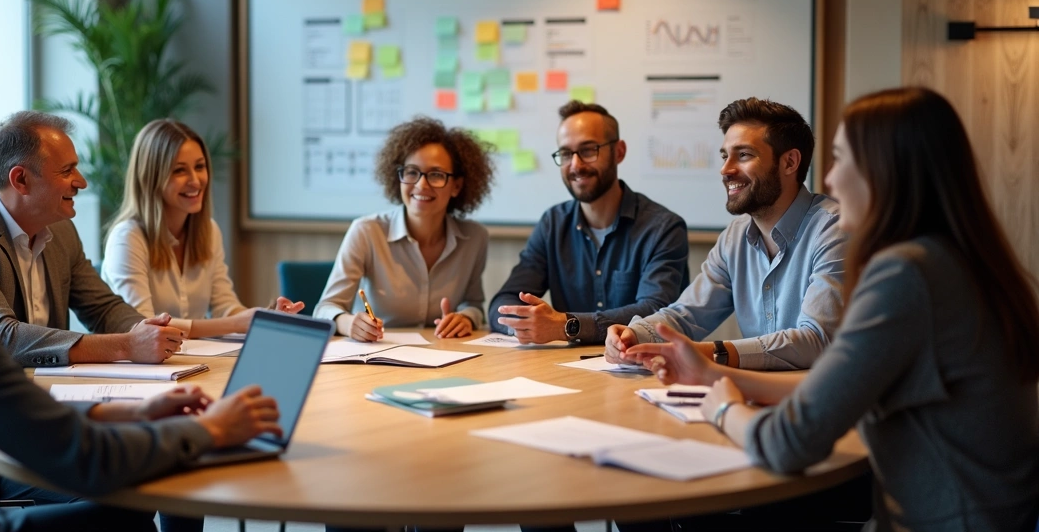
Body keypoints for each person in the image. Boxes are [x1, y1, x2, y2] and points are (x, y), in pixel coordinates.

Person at [0, 62, 282, 532]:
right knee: (134, 507)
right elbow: (80, 458)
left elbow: (13, 400)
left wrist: (132, 411)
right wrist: (209, 430)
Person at [626, 87, 1039, 531]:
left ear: (887, 171)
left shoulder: (906, 276)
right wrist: (714, 377)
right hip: (977, 516)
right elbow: (837, 388)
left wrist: (722, 408)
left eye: (841, 159)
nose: (830, 179)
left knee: (666, 511)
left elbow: (789, 442)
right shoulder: (950, 261)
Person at [606, 98, 845, 370]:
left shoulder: (834, 229)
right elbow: (686, 315)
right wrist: (633, 335)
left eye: (743, 155)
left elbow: (816, 341)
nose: (725, 169)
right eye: (724, 155)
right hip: (758, 393)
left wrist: (713, 353)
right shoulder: (735, 237)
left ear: (789, 162)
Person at [0, 110, 185, 367]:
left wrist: (144, 329)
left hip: (51, 390)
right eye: (67, 170)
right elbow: (1, 337)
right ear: (21, 180)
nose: (81, 182)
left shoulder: (62, 231)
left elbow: (102, 308)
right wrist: (127, 345)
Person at [489, 101, 689, 345]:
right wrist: (524, 325)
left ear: (619, 152)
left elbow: (655, 313)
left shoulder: (663, 228)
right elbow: (504, 301)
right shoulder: (553, 224)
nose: (575, 165)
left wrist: (566, 326)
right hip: (567, 372)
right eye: (565, 154)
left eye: (588, 150)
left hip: (642, 370)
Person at [102, 119, 303, 338]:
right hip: (135, 369)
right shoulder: (127, 238)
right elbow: (144, 326)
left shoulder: (209, 231)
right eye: (179, 170)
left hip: (191, 361)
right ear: (151, 178)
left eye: (200, 167)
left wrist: (265, 319)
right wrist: (236, 323)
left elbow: (225, 306)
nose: (195, 180)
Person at [314, 116, 495, 340]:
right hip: (379, 356)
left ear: (456, 186)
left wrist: (466, 317)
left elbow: (474, 303)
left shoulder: (475, 238)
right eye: (411, 172)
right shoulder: (367, 231)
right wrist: (349, 323)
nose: (421, 185)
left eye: (436, 175)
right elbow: (325, 309)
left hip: (445, 354)